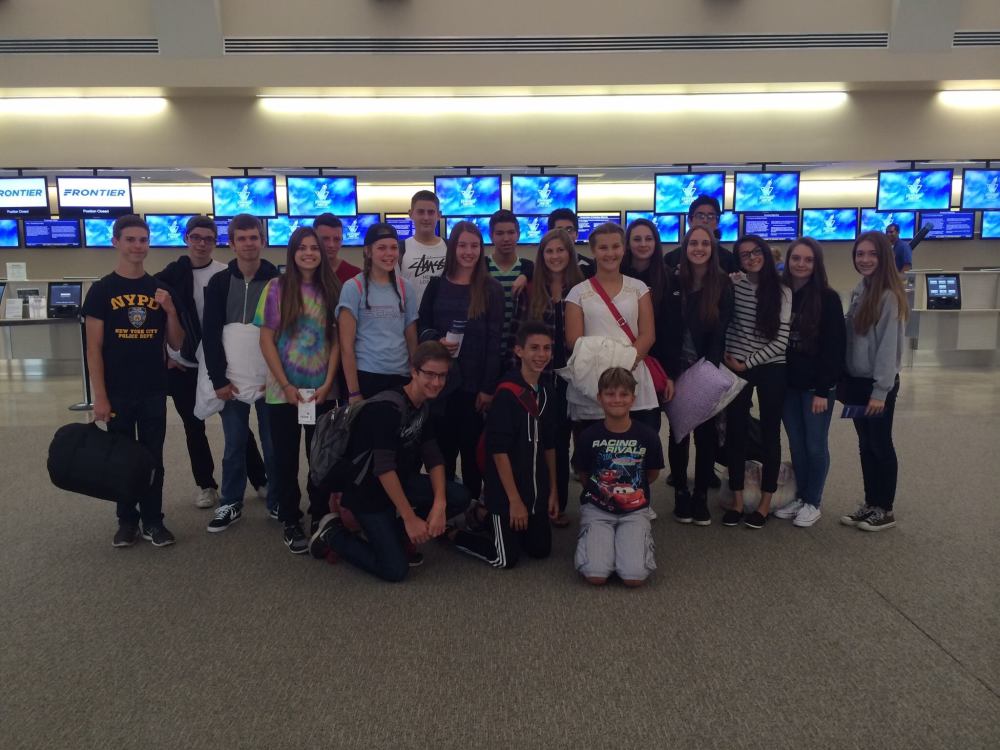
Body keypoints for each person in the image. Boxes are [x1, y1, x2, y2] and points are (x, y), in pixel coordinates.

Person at [308, 342, 472, 582]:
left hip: (398, 482)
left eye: (442, 376)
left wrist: (439, 503)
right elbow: (383, 468)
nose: (436, 382)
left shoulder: (422, 406)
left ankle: (396, 535)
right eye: (429, 374)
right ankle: (332, 534)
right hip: (367, 492)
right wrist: (409, 518)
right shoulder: (386, 408)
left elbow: (433, 457)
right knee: (395, 570)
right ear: (413, 371)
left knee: (459, 496)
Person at [82, 214, 184, 548]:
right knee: (121, 457)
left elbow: (176, 343)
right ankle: (127, 520)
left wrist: (170, 311)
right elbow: (94, 348)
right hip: (118, 391)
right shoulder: (102, 290)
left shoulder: (159, 289)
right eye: (130, 240)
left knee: (153, 458)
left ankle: (153, 520)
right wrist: (100, 395)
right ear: (116, 242)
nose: (138, 246)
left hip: (153, 389)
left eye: (143, 240)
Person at [155, 215, 268, 509]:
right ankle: (206, 485)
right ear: (186, 239)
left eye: (207, 239)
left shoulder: (224, 274)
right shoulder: (169, 277)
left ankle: (260, 479)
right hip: (185, 363)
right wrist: (168, 356)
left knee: (238, 430)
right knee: (194, 427)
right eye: (196, 237)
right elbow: (157, 320)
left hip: (224, 362)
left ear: (217, 242)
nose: (201, 244)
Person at [257, 226, 342, 553]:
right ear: (292, 253)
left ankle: (319, 513)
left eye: (314, 248)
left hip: (321, 391)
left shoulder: (332, 288)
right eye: (302, 248)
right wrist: (286, 384)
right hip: (284, 393)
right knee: (285, 458)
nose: (309, 253)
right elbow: (266, 340)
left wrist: (328, 383)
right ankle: (291, 518)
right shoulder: (276, 288)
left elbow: (337, 341)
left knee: (320, 457)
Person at [450, 321, 558, 568]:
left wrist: (552, 491)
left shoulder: (547, 392)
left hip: (536, 490)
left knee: (540, 550)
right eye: (534, 348)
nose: (541, 355)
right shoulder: (506, 393)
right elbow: (498, 452)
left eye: (546, 348)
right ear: (519, 351)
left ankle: (484, 517)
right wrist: (514, 501)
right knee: (505, 559)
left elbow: (550, 446)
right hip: (506, 494)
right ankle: (456, 533)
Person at [202, 214, 280, 530]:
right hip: (231, 381)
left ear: (262, 240)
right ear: (232, 244)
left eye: (254, 237)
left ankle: (277, 500)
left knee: (273, 445)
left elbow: (283, 334)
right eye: (242, 238)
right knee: (234, 445)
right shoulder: (219, 283)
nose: (249, 244)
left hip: (268, 381)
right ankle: (231, 503)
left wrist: (277, 379)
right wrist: (219, 380)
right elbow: (210, 334)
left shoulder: (277, 281)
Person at [418, 220, 504, 501]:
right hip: (439, 387)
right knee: (441, 453)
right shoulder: (436, 285)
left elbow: (495, 342)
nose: (468, 251)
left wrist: (488, 388)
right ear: (453, 248)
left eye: (474, 246)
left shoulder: (491, 289)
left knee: (471, 454)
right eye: (463, 245)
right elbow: (422, 328)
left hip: (474, 387)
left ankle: (471, 507)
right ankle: (444, 507)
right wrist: (436, 341)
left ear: (481, 249)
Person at [509, 229, 583, 527]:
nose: (555, 256)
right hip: (538, 378)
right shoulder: (528, 290)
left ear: (570, 254)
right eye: (549, 251)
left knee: (562, 443)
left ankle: (559, 503)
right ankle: (534, 500)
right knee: (537, 441)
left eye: (560, 250)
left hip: (573, 377)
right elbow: (516, 335)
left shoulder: (582, 288)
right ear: (541, 256)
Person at [662, 226, 734, 526]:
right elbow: (666, 328)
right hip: (677, 365)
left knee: (705, 435)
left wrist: (709, 369)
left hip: (706, 367)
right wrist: (668, 372)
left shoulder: (722, 284)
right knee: (678, 432)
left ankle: (701, 494)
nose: (699, 248)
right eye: (693, 243)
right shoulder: (673, 280)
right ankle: (680, 490)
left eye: (705, 243)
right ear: (685, 247)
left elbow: (722, 330)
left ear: (712, 248)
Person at [565, 223, 664, 434]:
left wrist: (623, 369)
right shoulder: (577, 293)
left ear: (623, 249)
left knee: (641, 445)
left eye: (615, 246)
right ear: (593, 251)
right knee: (592, 447)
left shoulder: (638, 288)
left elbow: (648, 335)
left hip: (634, 380)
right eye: (603, 248)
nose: (610, 253)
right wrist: (608, 375)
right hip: (593, 384)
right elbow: (574, 341)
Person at [723, 234, 793, 529]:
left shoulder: (782, 290)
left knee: (769, 433)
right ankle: (738, 500)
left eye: (755, 252)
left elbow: (780, 342)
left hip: (770, 367)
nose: (751, 258)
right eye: (744, 255)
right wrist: (729, 356)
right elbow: (727, 323)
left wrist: (747, 363)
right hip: (735, 367)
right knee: (735, 432)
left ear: (765, 252)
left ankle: (765, 504)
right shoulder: (734, 286)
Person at [839, 231, 907, 532]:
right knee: (865, 444)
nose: (864, 259)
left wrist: (880, 392)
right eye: (860, 254)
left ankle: (885, 508)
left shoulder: (889, 296)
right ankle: (870, 502)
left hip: (876, 386)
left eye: (872, 254)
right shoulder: (861, 289)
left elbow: (888, 348)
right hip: (856, 383)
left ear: (884, 257)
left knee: (880, 444)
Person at [775, 238, 845, 528]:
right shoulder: (780, 294)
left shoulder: (828, 299)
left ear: (816, 264)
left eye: (808, 259)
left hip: (817, 388)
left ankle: (813, 501)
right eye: (796, 258)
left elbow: (834, 348)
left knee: (815, 445)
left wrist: (823, 390)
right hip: (788, 386)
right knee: (797, 445)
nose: (801, 264)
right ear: (788, 261)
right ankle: (801, 495)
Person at [573, 367, 664, 587]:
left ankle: (633, 542)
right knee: (595, 575)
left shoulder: (648, 436)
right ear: (600, 398)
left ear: (633, 399)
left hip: (634, 511)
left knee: (634, 577)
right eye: (610, 394)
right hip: (597, 509)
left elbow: (652, 473)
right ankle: (597, 542)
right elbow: (584, 474)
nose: (617, 400)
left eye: (624, 394)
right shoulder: (588, 436)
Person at [337, 223, 418, 401]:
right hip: (366, 376)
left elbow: (412, 339)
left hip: (401, 376)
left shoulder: (406, 288)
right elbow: (346, 346)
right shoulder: (353, 287)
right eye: (382, 248)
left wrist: (415, 377)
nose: (389, 253)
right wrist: (354, 392)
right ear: (368, 251)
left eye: (393, 248)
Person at [486, 209, 533, 363]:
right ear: (491, 236)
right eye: (499, 233)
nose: (506, 238)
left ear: (518, 234)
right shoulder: (481, 267)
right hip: (486, 351)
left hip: (518, 353)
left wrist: (526, 275)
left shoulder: (528, 268)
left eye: (511, 232)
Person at [664, 195, 739, 273]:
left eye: (711, 216)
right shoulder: (671, 259)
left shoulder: (729, 260)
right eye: (700, 216)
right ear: (689, 221)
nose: (705, 220)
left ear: (717, 222)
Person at [398, 190, 446, 305]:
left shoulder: (450, 248)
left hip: (443, 315)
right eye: (420, 212)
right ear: (411, 214)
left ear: (439, 215)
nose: (426, 217)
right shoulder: (400, 249)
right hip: (411, 315)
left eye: (431, 212)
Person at [313, 213, 361, 284]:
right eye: (325, 239)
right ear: (313, 239)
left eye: (336, 239)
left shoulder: (355, 275)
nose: (331, 245)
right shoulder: (304, 272)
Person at [548, 208, 596, 278]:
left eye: (569, 230)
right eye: (559, 230)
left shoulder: (592, 267)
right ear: (550, 235)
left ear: (576, 234)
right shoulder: (541, 267)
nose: (565, 235)